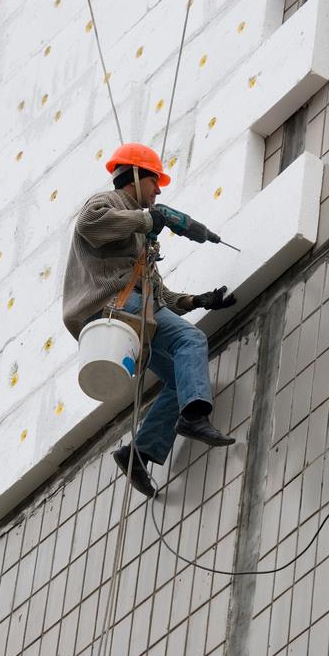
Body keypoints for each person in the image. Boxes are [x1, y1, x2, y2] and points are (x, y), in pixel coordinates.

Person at [62, 142, 237, 497]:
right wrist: (148, 219)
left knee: (178, 378)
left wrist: (196, 300)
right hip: (115, 307)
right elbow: (89, 224)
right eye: (155, 181)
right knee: (191, 341)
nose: (158, 191)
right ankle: (195, 416)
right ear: (136, 176)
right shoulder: (108, 204)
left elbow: (156, 294)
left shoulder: (141, 237)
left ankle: (138, 454)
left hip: (131, 316)